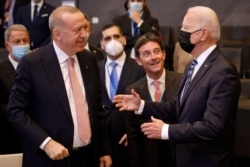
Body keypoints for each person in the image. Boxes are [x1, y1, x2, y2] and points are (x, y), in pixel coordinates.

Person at [113, 6, 241, 167]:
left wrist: (166, 131)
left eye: (186, 28)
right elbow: (177, 107)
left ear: (203, 34)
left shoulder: (222, 71)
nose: (181, 32)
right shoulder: (192, 65)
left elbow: (212, 127)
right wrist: (142, 106)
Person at [7, 6, 111, 167]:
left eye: (85, 27)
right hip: (47, 160)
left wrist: (103, 149)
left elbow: (97, 110)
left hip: (87, 158)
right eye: (77, 30)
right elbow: (15, 112)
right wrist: (46, 142)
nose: (85, 34)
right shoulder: (32, 63)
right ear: (57, 34)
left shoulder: (89, 60)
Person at [125, 32, 182, 167]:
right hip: (149, 158)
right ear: (138, 61)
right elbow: (133, 137)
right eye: (146, 54)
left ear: (164, 54)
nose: (153, 57)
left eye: (156, 52)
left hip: (179, 155)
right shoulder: (132, 91)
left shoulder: (182, 81)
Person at [98, 23, 145, 167]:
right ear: (102, 44)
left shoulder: (139, 67)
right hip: (103, 143)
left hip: (131, 139)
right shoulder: (94, 68)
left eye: (116, 36)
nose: (112, 41)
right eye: (107, 38)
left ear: (124, 40)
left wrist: (135, 132)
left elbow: (146, 103)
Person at [0, 24, 30, 154]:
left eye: (25, 40)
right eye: (17, 42)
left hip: (39, 139)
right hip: (11, 138)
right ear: (7, 46)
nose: (22, 45)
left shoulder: (39, 67)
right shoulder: (1, 70)